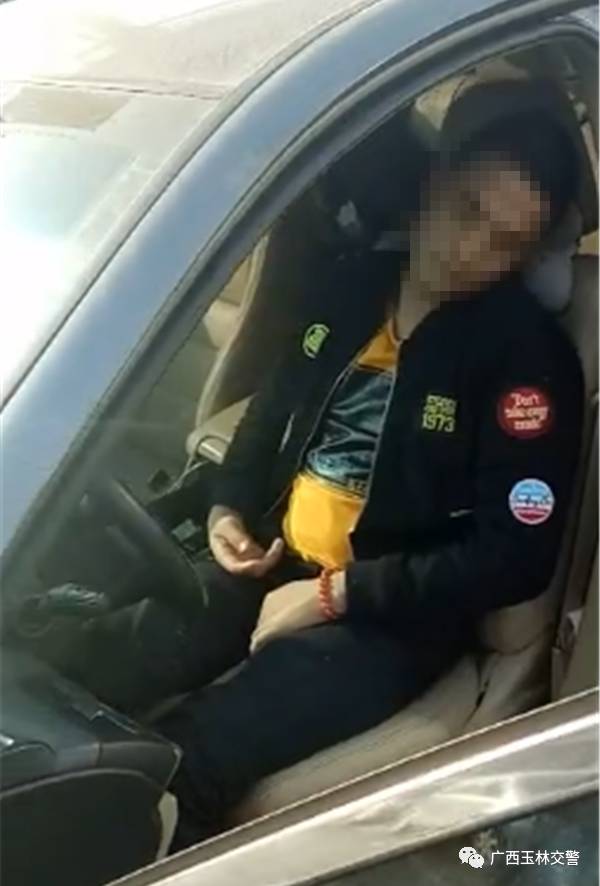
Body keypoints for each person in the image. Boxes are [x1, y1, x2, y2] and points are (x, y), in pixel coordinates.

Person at [59, 83, 585, 849]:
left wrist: (338, 594)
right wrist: (227, 507)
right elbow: (270, 409)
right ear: (435, 181)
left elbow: (515, 556)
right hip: (270, 560)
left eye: (505, 242)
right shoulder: (349, 286)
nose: (472, 248)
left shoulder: (525, 362)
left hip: (387, 620)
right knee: (88, 663)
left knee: (188, 760)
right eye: (468, 208)